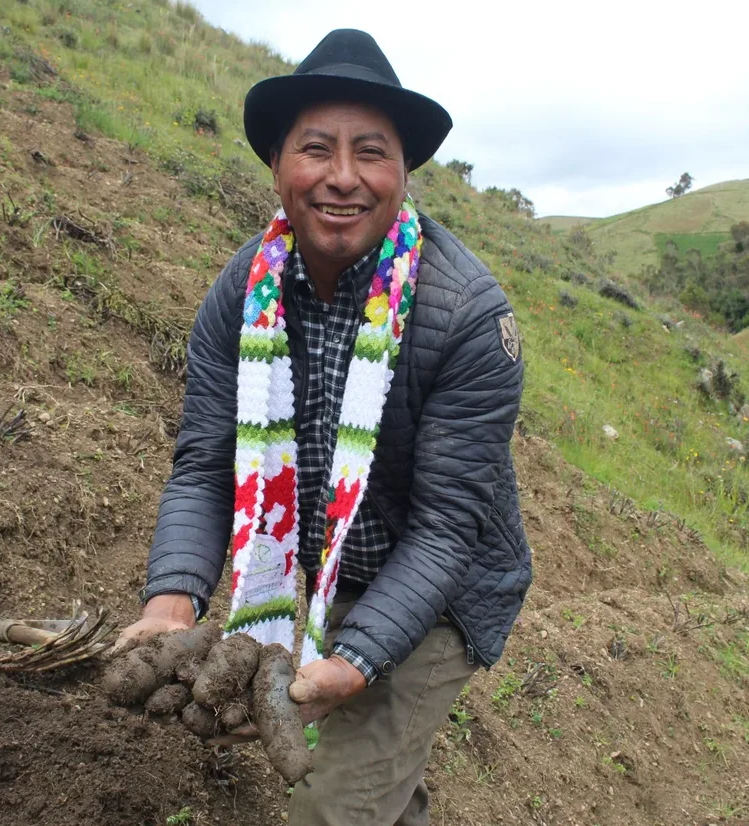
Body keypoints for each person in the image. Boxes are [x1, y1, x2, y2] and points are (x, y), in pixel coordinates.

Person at [118, 28, 533, 826]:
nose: (342, 178)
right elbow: (207, 463)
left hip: (449, 591)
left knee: (331, 808)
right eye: (316, 149)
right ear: (278, 165)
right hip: (343, 569)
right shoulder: (244, 293)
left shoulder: (469, 317)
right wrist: (172, 600)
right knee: (373, 784)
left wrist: (360, 659)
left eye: (370, 153)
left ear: (403, 172)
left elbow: (448, 527)